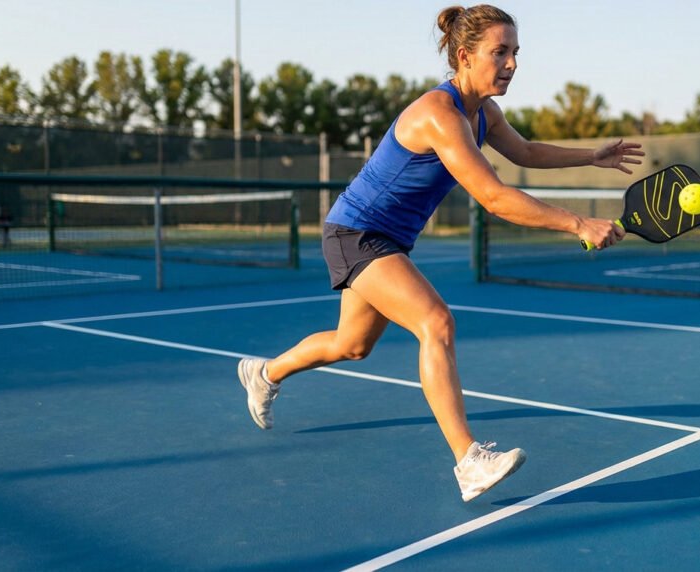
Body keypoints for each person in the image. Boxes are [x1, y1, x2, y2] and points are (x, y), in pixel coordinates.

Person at [238, 4, 644, 502]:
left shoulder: (484, 113)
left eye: (516, 53)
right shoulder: (438, 114)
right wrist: (578, 222)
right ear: (464, 56)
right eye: (500, 52)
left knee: (352, 345)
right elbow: (494, 198)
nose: (512, 63)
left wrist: (592, 156)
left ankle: (264, 372)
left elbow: (528, 152)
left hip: (386, 239)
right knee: (436, 322)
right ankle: (469, 461)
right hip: (357, 233)